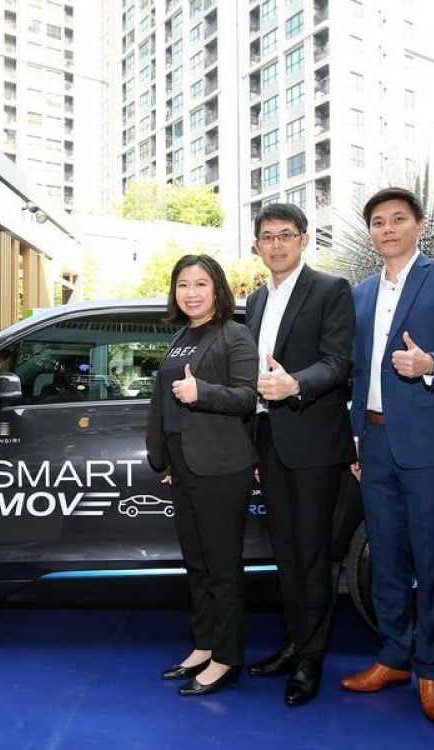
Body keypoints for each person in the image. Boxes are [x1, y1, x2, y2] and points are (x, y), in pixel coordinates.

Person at [342, 187, 434, 726]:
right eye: (378, 221)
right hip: (375, 442)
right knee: (385, 558)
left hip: (431, 445)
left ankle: (432, 671)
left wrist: (431, 364)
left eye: (398, 219)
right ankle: (393, 657)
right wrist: (356, 435)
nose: (387, 229)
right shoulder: (360, 293)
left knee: (431, 561)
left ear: (419, 225)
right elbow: (359, 369)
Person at [244, 203, 355, 707]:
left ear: (304, 240)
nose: (276, 244)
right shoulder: (255, 301)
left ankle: (311, 658)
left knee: (312, 553)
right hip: (268, 438)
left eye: (286, 235)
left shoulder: (331, 290)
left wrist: (295, 384)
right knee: (285, 553)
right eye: (267, 237)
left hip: (313, 439)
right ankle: (293, 642)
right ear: (257, 245)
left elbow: (338, 362)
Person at [146, 254, 258, 697]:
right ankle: (204, 645)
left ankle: (227, 658)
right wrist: (171, 459)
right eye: (182, 285)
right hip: (185, 465)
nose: (190, 293)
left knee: (222, 568)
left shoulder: (235, 334)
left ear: (217, 289)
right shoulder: (181, 336)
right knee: (197, 564)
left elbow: (247, 397)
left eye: (200, 284)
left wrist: (202, 392)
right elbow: (168, 403)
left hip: (222, 466)